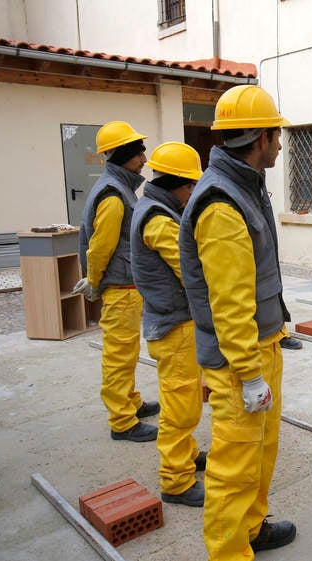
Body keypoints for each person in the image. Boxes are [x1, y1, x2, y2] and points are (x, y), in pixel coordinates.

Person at [178, 85, 296, 560]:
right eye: (277, 135)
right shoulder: (222, 203)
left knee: (260, 452)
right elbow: (230, 303)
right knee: (233, 466)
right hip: (238, 362)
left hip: (262, 346)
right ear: (260, 138)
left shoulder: (244, 184)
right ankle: (229, 552)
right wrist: (248, 374)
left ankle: (251, 527)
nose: (283, 144)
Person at [131, 142, 206, 507]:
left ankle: (189, 455)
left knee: (185, 397)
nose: (193, 192)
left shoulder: (158, 207)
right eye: (191, 185)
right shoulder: (159, 219)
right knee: (180, 407)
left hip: (173, 322)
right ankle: (176, 481)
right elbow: (189, 270)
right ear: (177, 184)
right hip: (174, 326)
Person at [74, 121, 159, 442]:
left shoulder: (119, 187)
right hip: (120, 288)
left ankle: (131, 402)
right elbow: (101, 246)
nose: (144, 159)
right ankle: (122, 421)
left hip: (127, 286)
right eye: (139, 153)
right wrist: (93, 281)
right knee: (118, 356)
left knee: (126, 351)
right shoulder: (113, 194)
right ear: (124, 154)